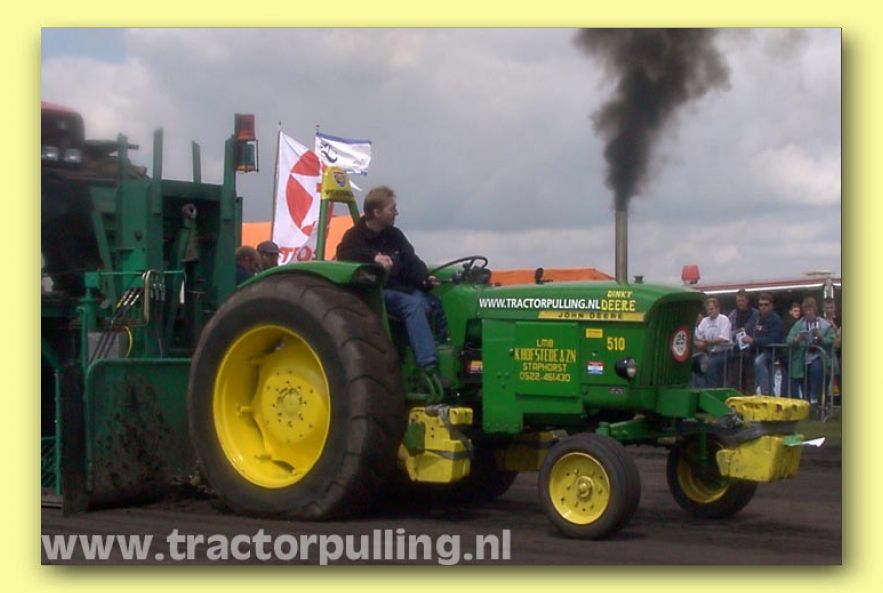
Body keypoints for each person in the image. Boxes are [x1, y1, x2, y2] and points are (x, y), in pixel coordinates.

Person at [336, 185, 445, 382]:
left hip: (401, 290)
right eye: (392, 209)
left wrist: (424, 278)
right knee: (413, 305)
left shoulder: (395, 235)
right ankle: (428, 366)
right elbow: (345, 254)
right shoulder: (354, 237)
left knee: (435, 302)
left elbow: (411, 260)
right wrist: (374, 257)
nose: (396, 212)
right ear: (376, 212)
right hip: (375, 293)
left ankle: (446, 349)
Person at [786, 296, 836, 405]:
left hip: (820, 357)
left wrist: (821, 337)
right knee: (803, 383)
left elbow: (832, 340)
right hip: (801, 358)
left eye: (810, 310)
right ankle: (807, 403)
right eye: (806, 310)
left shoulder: (825, 325)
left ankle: (814, 398)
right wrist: (796, 339)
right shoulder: (798, 325)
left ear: (815, 310)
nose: (808, 313)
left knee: (816, 368)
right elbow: (788, 339)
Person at [742, 292, 784, 395]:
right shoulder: (756, 317)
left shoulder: (775, 319)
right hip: (757, 350)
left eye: (766, 304)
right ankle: (762, 391)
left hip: (772, 351)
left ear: (772, 305)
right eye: (761, 305)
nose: (763, 307)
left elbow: (773, 339)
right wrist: (742, 334)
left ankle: (765, 392)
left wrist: (753, 340)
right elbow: (748, 328)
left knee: (759, 362)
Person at [694, 297, 732, 388]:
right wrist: (699, 342)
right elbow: (698, 337)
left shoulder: (724, 319)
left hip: (724, 352)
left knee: (710, 364)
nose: (709, 311)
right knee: (695, 364)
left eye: (711, 309)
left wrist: (707, 342)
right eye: (707, 310)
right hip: (708, 352)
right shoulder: (704, 321)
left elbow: (723, 339)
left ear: (718, 309)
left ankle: (711, 388)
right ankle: (701, 388)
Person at [727, 289, 759, 393]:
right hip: (736, 351)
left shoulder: (755, 314)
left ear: (747, 300)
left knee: (750, 380)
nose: (740, 303)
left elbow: (757, 330)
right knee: (734, 380)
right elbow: (729, 329)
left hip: (750, 351)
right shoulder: (733, 314)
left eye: (742, 300)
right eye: (738, 301)